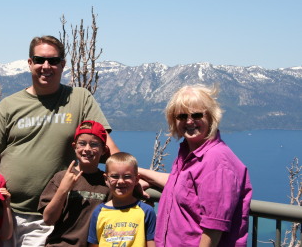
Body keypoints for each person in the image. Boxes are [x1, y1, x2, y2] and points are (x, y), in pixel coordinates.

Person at [0, 35, 120, 246]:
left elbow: (106, 147)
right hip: (3, 211)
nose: (45, 66)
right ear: (30, 63)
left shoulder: (80, 98)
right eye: (39, 60)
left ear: (63, 64)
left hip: (46, 215)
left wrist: (129, 178)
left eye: (53, 60)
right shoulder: (9, 105)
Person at [138, 84, 253, 247]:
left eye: (197, 115)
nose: (190, 121)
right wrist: (139, 174)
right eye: (182, 116)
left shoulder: (216, 160)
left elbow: (213, 228)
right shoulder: (190, 153)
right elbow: (182, 185)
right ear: (174, 120)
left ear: (211, 117)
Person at [38, 120, 111, 246]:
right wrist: (63, 190)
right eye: (82, 143)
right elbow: (48, 219)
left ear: (103, 150)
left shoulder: (106, 183)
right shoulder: (61, 177)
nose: (87, 149)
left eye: (94, 144)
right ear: (74, 147)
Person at [88, 152, 156, 247]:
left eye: (127, 176)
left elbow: (151, 243)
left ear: (136, 179)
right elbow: (94, 244)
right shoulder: (99, 212)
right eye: (115, 176)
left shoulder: (146, 211)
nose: (120, 181)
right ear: (106, 179)